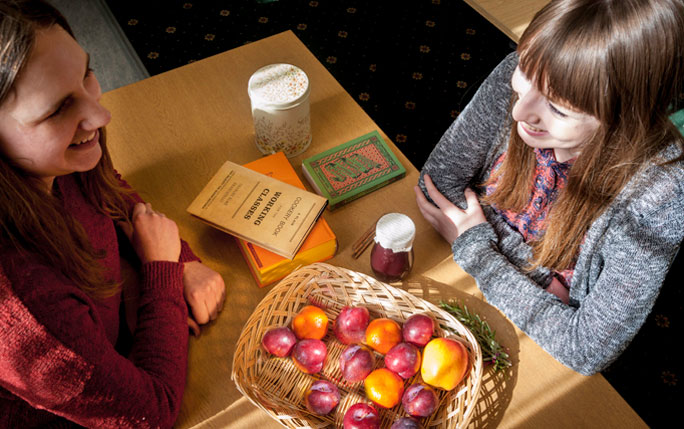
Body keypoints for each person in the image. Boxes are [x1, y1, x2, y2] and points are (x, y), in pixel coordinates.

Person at [415, 0, 684, 376]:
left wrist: (477, 245)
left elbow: (584, 348)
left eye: (559, 109)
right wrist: (543, 283)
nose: (519, 112)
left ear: (626, 120)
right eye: (523, 73)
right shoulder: (537, 68)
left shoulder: (663, 192)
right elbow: (436, 185)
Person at [0, 0, 225, 427]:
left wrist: (182, 262)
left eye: (87, 73)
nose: (100, 115)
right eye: (57, 109)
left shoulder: (51, 160)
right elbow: (150, 416)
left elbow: (105, 184)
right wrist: (162, 271)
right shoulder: (22, 310)